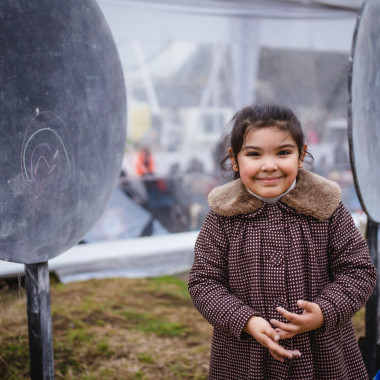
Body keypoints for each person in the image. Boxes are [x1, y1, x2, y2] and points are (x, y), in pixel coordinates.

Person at [188, 103, 377, 379]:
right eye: (254, 154)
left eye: (283, 152)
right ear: (235, 159)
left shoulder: (327, 208)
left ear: (301, 156)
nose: (269, 165)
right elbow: (204, 282)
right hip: (244, 358)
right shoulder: (223, 216)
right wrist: (246, 321)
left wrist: (324, 311)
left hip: (324, 357)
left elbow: (358, 271)